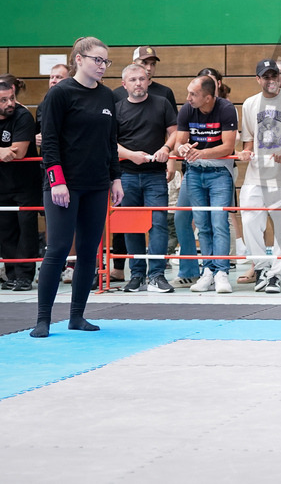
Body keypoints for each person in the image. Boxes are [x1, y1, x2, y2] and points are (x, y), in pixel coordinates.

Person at [32, 37, 123, 338]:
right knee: (57, 249)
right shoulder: (59, 94)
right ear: (79, 59)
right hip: (64, 185)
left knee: (88, 252)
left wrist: (116, 178)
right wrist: (57, 180)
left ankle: (77, 316)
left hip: (97, 184)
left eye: (105, 61)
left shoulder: (108, 96)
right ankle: (43, 319)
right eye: (97, 60)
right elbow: (50, 141)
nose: (102, 66)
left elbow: (111, 142)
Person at [238, 60, 281, 295]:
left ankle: (275, 275)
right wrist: (246, 152)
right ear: (258, 80)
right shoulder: (249, 104)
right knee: (248, 220)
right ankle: (262, 269)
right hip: (256, 174)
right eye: (265, 77)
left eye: (274, 76)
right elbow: (248, 138)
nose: (270, 81)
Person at [115, 63, 177, 295]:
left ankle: (157, 275)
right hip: (127, 175)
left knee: (159, 224)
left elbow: (175, 131)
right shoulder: (118, 108)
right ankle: (137, 275)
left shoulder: (162, 103)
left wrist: (166, 147)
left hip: (155, 175)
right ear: (124, 84)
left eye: (142, 79)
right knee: (132, 227)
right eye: (133, 80)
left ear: (148, 81)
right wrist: (131, 155)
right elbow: (110, 144)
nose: (138, 83)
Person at [174, 75, 238, 294]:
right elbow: (179, 143)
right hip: (194, 173)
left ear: (209, 97)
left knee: (219, 221)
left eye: (193, 94)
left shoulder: (227, 108)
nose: (188, 98)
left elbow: (228, 147)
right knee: (202, 224)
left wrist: (200, 153)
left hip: (219, 172)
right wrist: (181, 149)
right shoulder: (186, 110)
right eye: (189, 93)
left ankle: (222, 272)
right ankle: (208, 271)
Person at [0, 80, 41, 292]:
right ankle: (12, 275)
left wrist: (5, 151)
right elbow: (5, 152)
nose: (10, 103)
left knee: (26, 229)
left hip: (25, 184)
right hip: (2, 184)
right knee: (6, 230)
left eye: (12, 98)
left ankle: (25, 276)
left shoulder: (22, 115)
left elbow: (18, 151)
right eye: (4, 100)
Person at [112, 46, 177, 109]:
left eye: (153, 64)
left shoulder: (165, 92)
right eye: (144, 63)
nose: (149, 68)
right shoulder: (118, 94)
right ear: (134, 64)